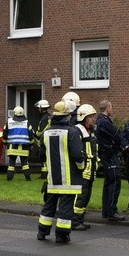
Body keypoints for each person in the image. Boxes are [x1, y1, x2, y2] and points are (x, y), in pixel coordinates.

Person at [36, 101, 86, 244]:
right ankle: (62, 235)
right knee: (65, 208)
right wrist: (81, 167)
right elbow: (78, 155)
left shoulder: (46, 133)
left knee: (49, 205)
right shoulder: (72, 131)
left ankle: (42, 232)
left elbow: (41, 155)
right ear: (67, 116)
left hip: (52, 178)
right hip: (69, 179)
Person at [94, 100, 126, 221]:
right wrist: (125, 144)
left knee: (108, 182)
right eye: (111, 107)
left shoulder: (100, 121)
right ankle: (112, 211)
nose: (112, 109)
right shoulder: (104, 122)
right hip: (109, 154)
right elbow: (116, 134)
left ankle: (106, 210)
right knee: (114, 180)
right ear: (107, 108)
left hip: (106, 154)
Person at [72, 104, 98, 231]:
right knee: (81, 196)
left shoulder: (90, 131)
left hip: (90, 170)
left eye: (93, 116)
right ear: (83, 117)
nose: (93, 119)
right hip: (82, 170)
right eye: (91, 117)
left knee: (86, 196)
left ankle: (80, 219)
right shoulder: (77, 130)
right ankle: (75, 221)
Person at [4, 106, 33, 181]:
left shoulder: (9, 121)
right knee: (24, 162)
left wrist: (4, 142)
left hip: (12, 145)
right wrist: (32, 143)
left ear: (14, 113)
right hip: (24, 146)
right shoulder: (26, 122)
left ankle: (9, 178)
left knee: (11, 162)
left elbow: (5, 132)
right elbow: (31, 133)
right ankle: (28, 177)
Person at [30, 99, 51, 178]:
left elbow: (41, 131)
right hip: (49, 140)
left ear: (42, 108)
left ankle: (44, 174)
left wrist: (35, 133)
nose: (38, 110)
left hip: (43, 141)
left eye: (39, 108)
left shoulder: (43, 118)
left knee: (43, 157)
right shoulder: (50, 116)